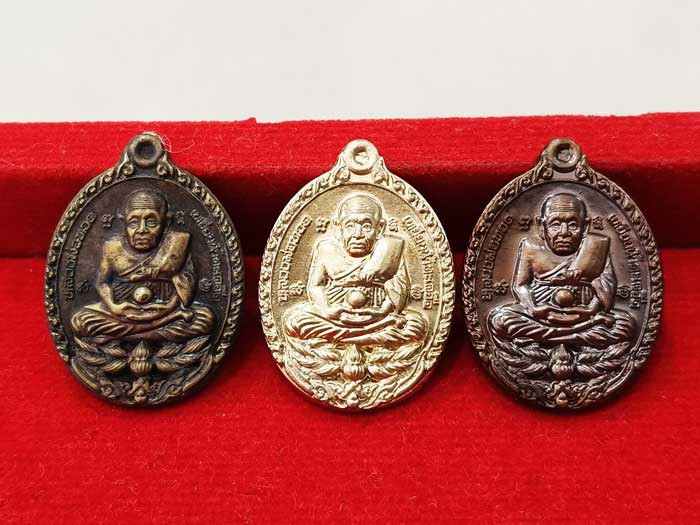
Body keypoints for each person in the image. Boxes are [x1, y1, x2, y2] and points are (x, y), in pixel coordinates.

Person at [488, 192, 634, 348]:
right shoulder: (531, 247)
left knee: (625, 325)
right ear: (541, 225)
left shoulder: (596, 247)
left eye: (573, 225)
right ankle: (575, 338)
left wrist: (591, 309)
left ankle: (546, 338)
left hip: (584, 315)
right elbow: (520, 285)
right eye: (555, 225)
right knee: (500, 319)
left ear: (585, 226)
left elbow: (606, 284)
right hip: (542, 316)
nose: (564, 232)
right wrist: (532, 308)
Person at [71, 190, 214, 343]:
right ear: (124, 223)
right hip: (123, 313)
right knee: (79, 322)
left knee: (206, 319)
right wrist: (113, 307)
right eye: (133, 223)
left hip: (166, 310)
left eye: (151, 223)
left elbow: (186, 284)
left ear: (165, 223)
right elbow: (102, 282)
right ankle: (152, 335)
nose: (141, 230)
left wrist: (170, 306)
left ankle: (124, 337)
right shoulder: (113, 248)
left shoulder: (176, 246)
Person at [284, 193, 426, 346]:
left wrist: (383, 311)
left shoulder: (390, 249)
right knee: (295, 322)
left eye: (367, 226)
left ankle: (342, 339)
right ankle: (363, 339)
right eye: (350, 226)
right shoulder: (326, 249)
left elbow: (400, 286)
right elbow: (315, 285)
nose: (358, 235)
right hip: (336, 317)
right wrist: (326, 309)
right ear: (338, 227)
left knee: (415, 325)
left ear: (379, 228)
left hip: (378, 317)